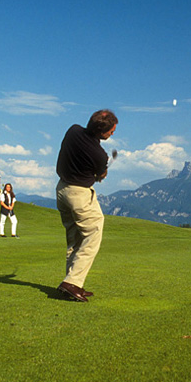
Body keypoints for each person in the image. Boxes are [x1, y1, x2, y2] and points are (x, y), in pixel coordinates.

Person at [55, 109, 118, 302]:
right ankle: (72, 282)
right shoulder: (99, 155)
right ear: (101, 131)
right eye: (111, 131)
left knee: (75, 239)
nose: (112, 133)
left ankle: (73, 283)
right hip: (79, 195)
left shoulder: (73, 130)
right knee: (93, 233)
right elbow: (100, 175)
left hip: (61, 189)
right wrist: (101, 173)